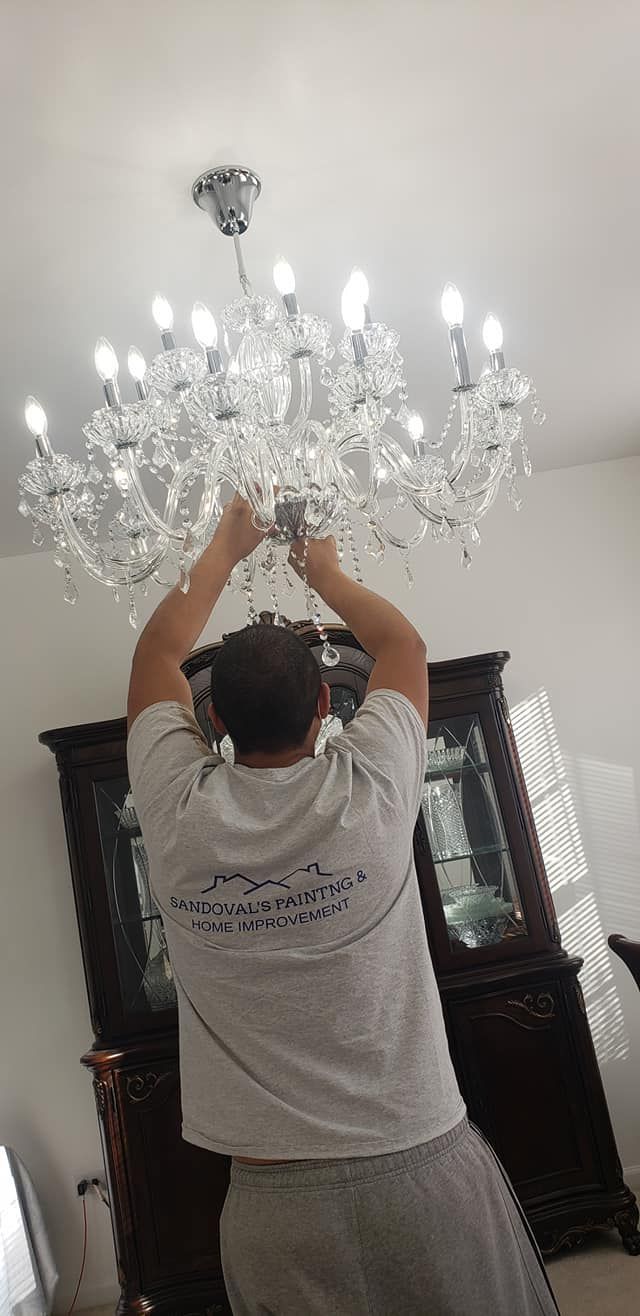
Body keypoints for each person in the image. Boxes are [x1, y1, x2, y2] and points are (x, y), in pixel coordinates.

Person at [127, 494, 560, 1316]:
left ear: (212, 721)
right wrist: (319, 567)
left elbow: (157, 648)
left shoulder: (175, 813)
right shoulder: (373, 787)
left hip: (271, 1204)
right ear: (328, 708)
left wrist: (224, 544)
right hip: (422, 1167)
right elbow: (401, 644)